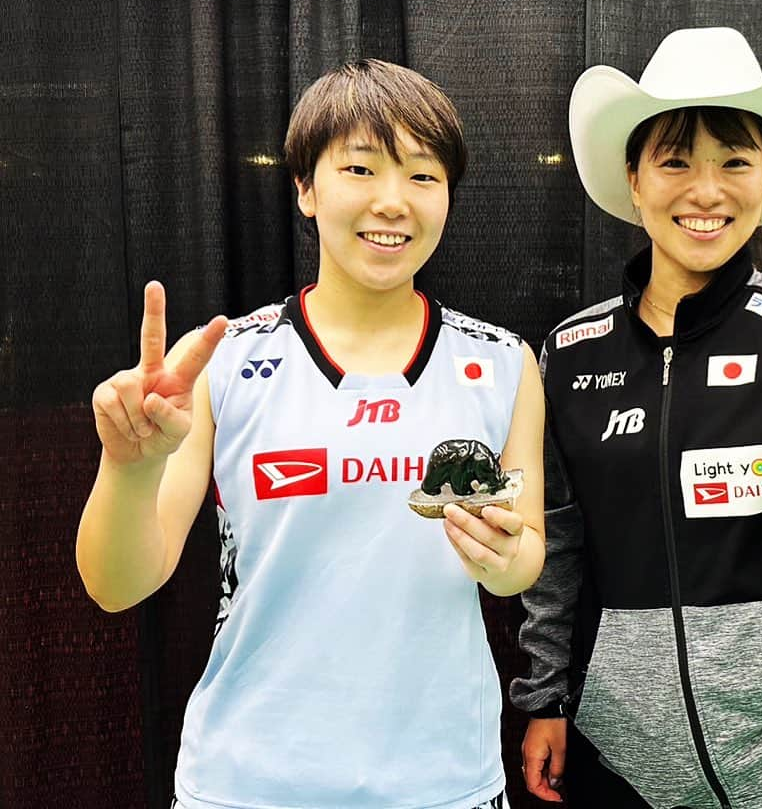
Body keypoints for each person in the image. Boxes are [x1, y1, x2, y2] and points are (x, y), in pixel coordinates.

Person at [77, 60, 546, 809]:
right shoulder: (222, 362)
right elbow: (117, 584)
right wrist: (127, 467)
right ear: (305, 189)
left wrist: (503, 559)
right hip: (248, 782)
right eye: (360, 168)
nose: (393, 202)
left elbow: (525, 562)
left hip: (444, 780)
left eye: (423, 177)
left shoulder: (501, 362)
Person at [511, 28, 762, 809]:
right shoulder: (565, 353)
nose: (707, 190)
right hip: (616, 765)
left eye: (735, 161)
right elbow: (555, 543)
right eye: (675, 161)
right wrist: (545, 697)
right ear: (633, 179)